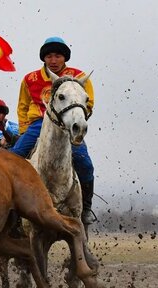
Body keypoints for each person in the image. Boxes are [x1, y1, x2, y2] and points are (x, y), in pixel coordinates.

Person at [11, 37, 97, 224]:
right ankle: (9, 207)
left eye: (57, 56)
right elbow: (23, 106)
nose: (53, 60)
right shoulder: (30, 79)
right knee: (14, 157)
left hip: (66, 125)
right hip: (37, 124)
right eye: (49, 56)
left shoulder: (78, 76)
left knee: (84, 163)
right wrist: (24, 131)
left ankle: (86, 208)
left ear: (64, 57)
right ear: (44, 58)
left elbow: (88, 102)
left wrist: (77, 120)